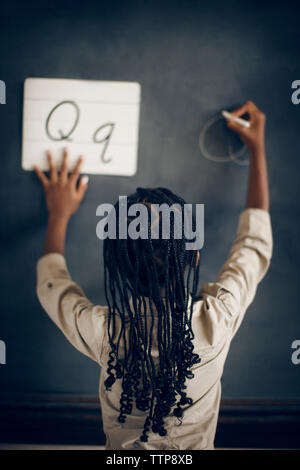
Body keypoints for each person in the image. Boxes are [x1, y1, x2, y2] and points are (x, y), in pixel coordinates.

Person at [34, 100, 273, 450]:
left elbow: (52, 286)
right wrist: (257, 148)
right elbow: (254, 245)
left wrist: (58, 214)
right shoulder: (216, 321)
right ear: (193, 256)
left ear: (118, 268)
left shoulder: (107, 334)